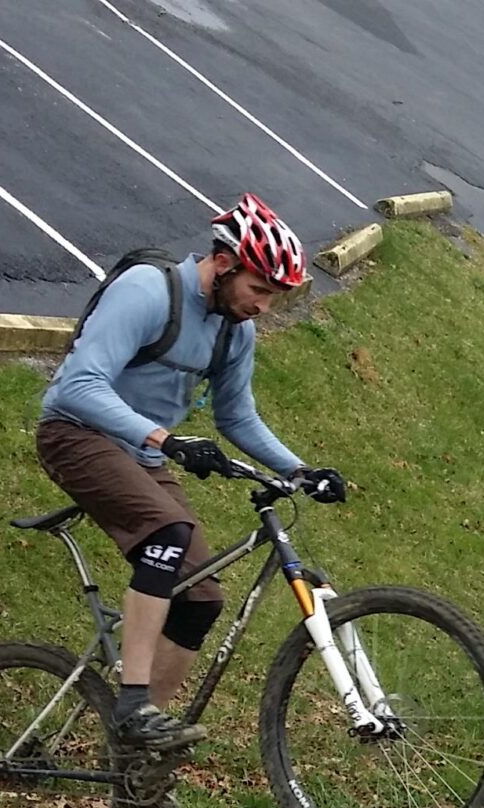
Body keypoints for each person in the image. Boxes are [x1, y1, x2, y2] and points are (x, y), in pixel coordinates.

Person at [35, 194, 345, 750]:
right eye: (260, 290)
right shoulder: (148, 292)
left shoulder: (234, 330)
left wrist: (301, 470)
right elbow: (80, 385)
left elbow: (237, 416)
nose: (264, 308)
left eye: (275, 297)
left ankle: (137, 751)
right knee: (167, 534)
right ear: (224, 264)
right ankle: (132, 704)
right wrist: (167, 438)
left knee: (201, 598)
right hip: (76, 434)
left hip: (145, 454)